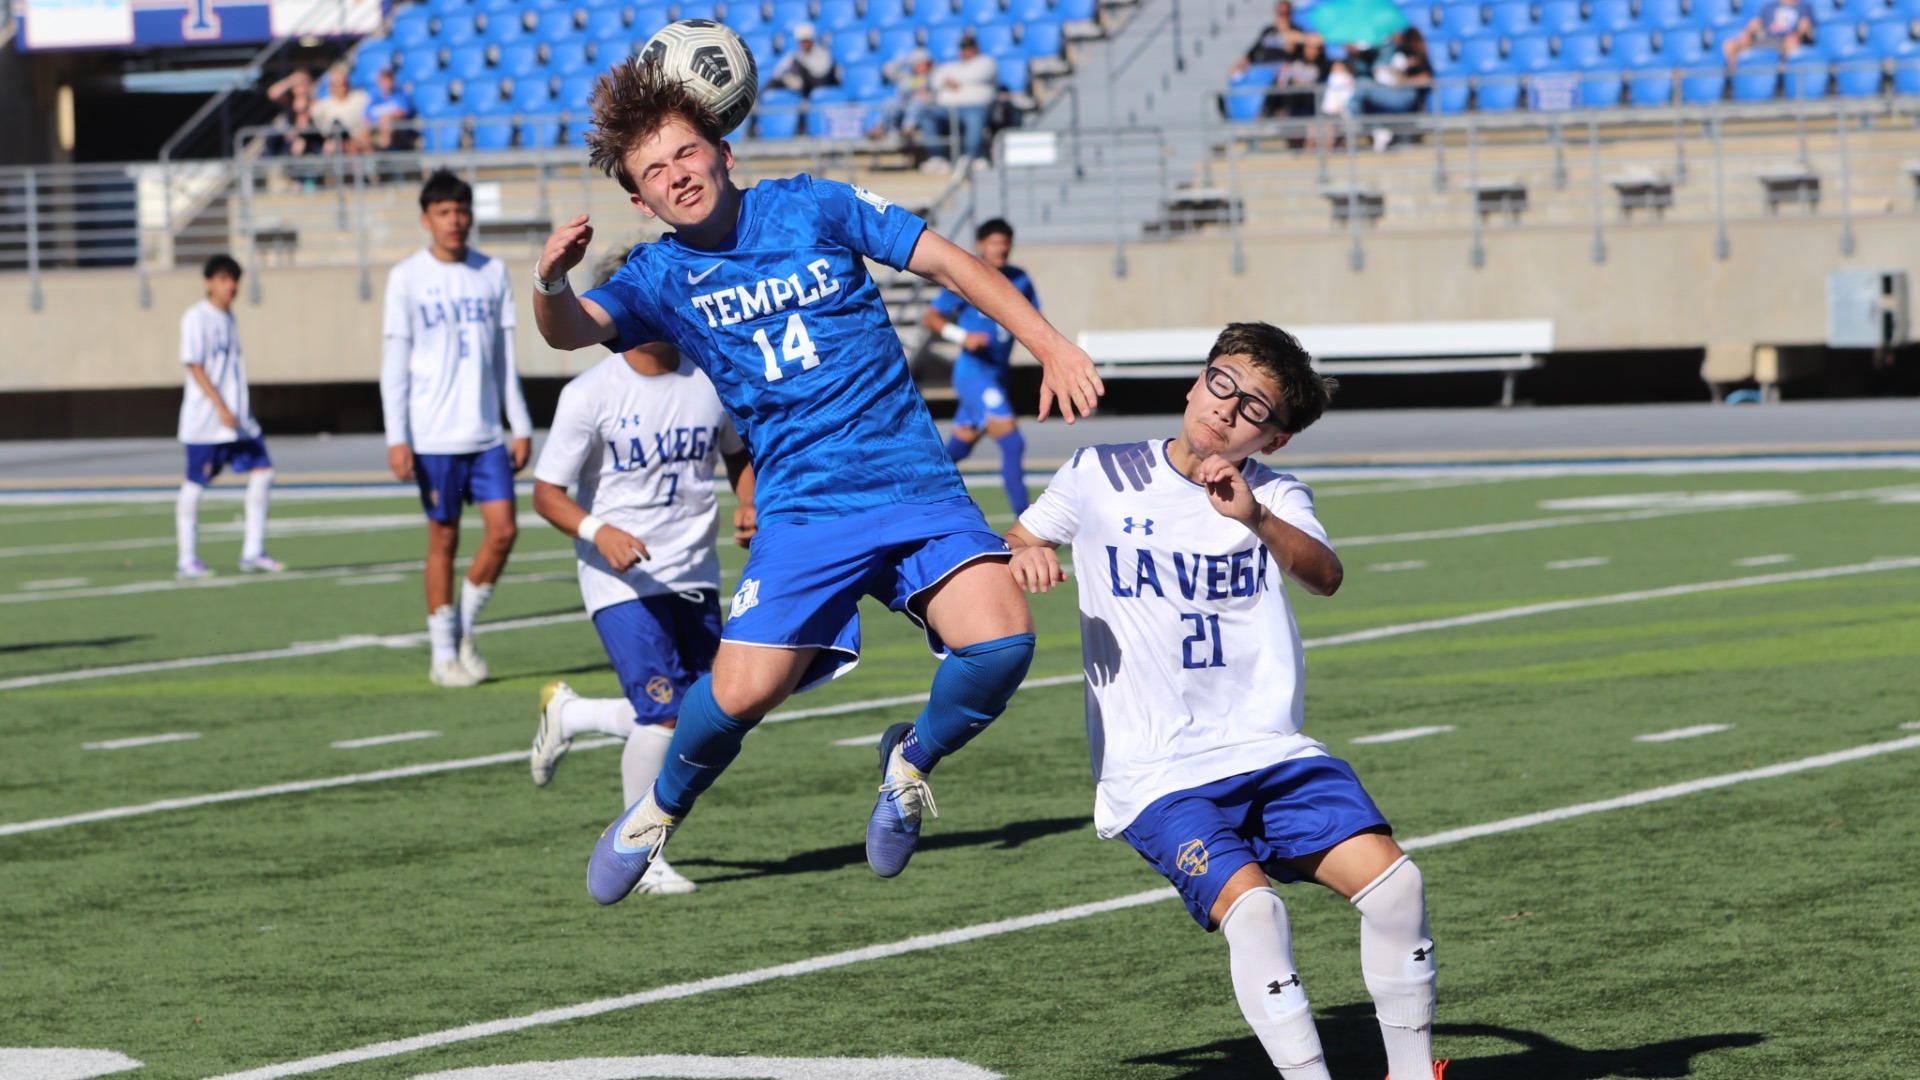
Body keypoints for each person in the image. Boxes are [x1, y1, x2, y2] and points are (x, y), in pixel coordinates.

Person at [527, 56, 1103, 904]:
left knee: (1003, 643)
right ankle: (657, 810)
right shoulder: (657, 276)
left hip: (913, 483)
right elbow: (568, 330)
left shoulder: (815, 204)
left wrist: (1050, 342)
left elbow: (947, 263)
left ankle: (910, 759)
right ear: (639, 201)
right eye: (653, 172)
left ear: (722, 149)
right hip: (804, 508)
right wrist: (549, 278)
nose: (676, 175)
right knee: (737, 697)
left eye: (685, 153)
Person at [1002, 322, 1444, 1080]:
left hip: (1267, 748)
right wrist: (1029, 549)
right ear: (1195, 382)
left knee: (1398, 888)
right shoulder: (1097, 472)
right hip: (1155, 769)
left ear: (1272, 441)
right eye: (1222, 384)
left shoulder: (1274, 494)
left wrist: (1254, 518)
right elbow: (1017, 537)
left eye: (1255, 410)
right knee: (1257, 914)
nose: (1228, 409)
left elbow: (1326, 575)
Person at [527, 254, 758, 898]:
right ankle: (642, 853)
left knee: (710, 715)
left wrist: (750, 501)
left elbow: (741, 457)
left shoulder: (711, 380)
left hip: (694, 569)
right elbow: (547, 493)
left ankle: (570, 717)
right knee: (661, 716)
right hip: (618, 580)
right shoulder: (590, 393)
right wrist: (600, 531)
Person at [381, 169, 534, 689]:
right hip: (431, 436)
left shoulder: (492, 272)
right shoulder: (406, 277)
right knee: (442, 539)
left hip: (487, 432)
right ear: (427, 219)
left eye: (462, 211)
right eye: (445, 212)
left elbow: (503, 357)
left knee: (505, 531)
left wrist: (519, 422)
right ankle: (443, 652)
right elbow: (393, 363)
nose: (456, 221)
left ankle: (461, 628)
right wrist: (395, 437)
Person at [175, 254, 282, 581]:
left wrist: (235, 409)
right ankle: (187, 558)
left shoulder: (229, 318)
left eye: (234, 279)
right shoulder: (196, 317)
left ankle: (253, 550)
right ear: (209, 282)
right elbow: (193, 365)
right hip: (207, 422)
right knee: (196, 483)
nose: (230, 286)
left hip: (238, 422)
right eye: (223, 279)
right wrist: (220, 406)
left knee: (263, 471)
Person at [922, 218, 1038, 516]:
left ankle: (916, 495)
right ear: (981, 246)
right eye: (995, 242)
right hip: (974, 375)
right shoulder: (967, 275)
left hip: (996, 376)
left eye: (1005, 241)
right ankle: (1026, 524)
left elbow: (1035, 322)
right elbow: (932, 318)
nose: (1002, 248)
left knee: (957, 450)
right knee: (1013, 443)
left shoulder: (1020, 279)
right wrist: (962, 336)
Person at [1228, 0, 1325, 120]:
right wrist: (1239, 65)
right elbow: (1252, 52)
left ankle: (1276, 113)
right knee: (1239, 78)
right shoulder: (1268, 31)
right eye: (1280, 12)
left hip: (1282, 70)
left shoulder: (1297, 31)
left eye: (1286, 12)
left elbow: (1303, 52)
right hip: (1262, 71)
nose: (1283, 16)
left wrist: (1288, 35)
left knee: (1283, 79)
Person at [926, 30, 998, 168]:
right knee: (927, 114)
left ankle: (970, 155)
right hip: (947, 109)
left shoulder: (986, 62)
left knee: (975, 117)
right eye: (963, 47)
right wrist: (949, 81)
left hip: (975, 107)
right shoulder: (951, 65)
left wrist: (951, 81)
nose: (965, 51)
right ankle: (937, 157)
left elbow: (979, 75)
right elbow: (935, 80)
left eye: (969, 47)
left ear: (976, 48)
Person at [1354, 27, 1432, 151]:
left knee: (1362, 86)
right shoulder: (1388, 53)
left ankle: (1351, 121)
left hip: (1405, 96)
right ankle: (1375, 130)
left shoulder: (1412, 54)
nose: (1396, 37)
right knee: (1362, 89)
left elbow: (1426, 78)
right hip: (1389, 93)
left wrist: (1404, 81)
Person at [871, 47, 938, 143]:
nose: (920, 66)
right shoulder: (906, 76)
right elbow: (887, 69)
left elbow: (937, 94)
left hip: (924, 110)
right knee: (889, 101)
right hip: (903, 108)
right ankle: (880, 127)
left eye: (923, 63)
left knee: (917, 101)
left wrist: (929, 96)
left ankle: (908, 128)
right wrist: (905, 60)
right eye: (917, 63)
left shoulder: (933, 76)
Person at [1723, 0, 1814, 65]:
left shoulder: (1803, 6)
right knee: (1730, 45)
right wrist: (1747, 34)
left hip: (1786, 40)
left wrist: (1797, 35)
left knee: (1791, 42)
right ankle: (1736, 79)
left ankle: (1782, 77)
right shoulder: (1769, 6)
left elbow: (1805, 25)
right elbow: (1756, 23)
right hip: (1765, 40)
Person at [311, 64, 372, 154]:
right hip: (335, 141)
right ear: (331, 86)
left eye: (344, 83)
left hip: (358, 139)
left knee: (356, 146)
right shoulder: (322, 106)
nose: (342, 87)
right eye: (338, 84)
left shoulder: (361, 98)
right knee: (330, 146)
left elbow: (368, 120)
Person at [767, 22, 840, 97]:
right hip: (803, 85)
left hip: (818, 83)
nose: (805, 44)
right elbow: (778, 72)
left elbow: (820, 74)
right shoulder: (796, 55)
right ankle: (757, 100)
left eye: (807, 41)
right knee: (775, 81)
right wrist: (787, 79)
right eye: (803, 42)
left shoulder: (823, 52)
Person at [364, 67, 416, 152]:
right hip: (377, 129)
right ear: (379, 81)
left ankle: (383, 152)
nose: (387, 82)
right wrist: (380, 120)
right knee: (363, 130)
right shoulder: (374, 96)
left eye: (389, 78)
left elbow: (402, 113)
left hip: (399, 132)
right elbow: (366, 116)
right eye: (384, 79)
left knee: (387, 122)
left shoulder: (401, 95)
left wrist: (384, 118)